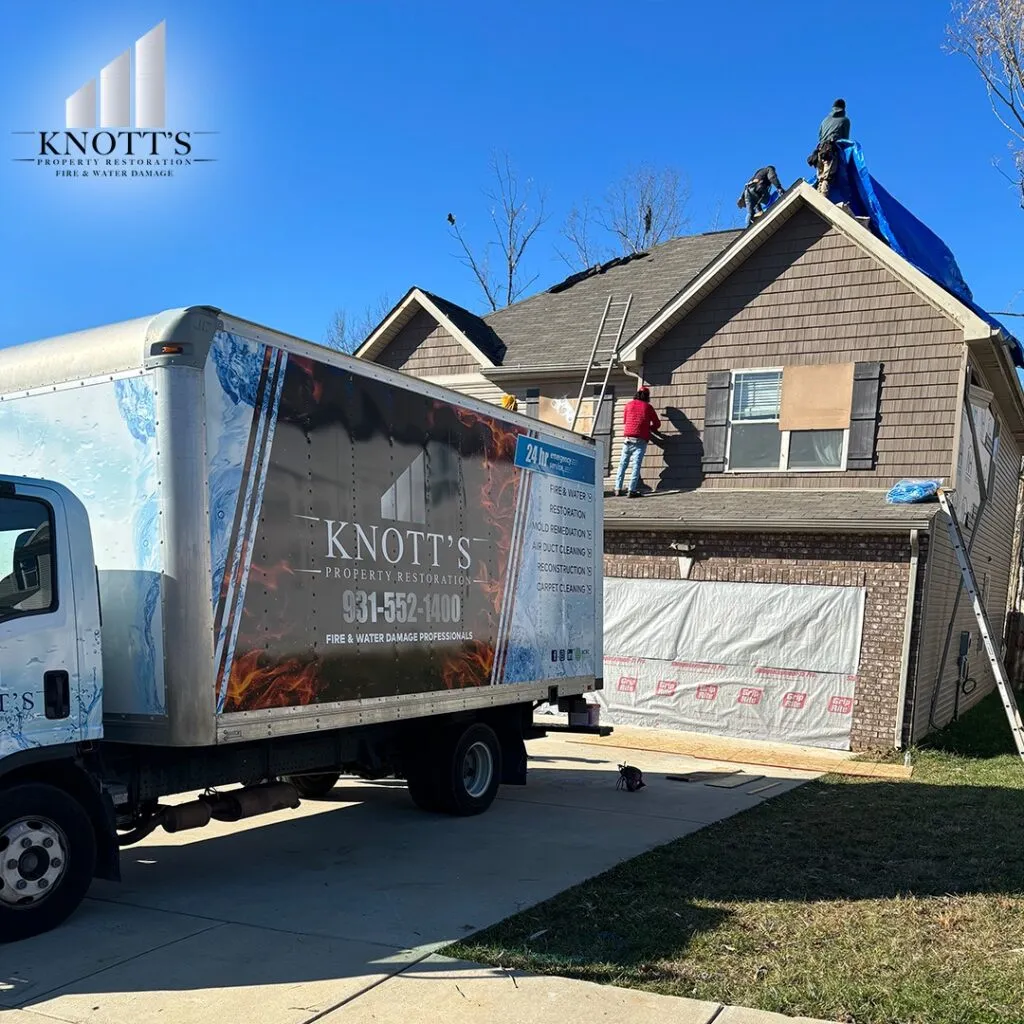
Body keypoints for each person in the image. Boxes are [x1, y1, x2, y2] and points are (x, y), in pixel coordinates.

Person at [615, 387, 661, 498]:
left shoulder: (628, 405)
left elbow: (625, 420)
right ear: (647, 396)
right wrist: (650, 428)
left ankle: (617, 488)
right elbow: (657, 423)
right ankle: (632, 490)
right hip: (640, 440)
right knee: (636, 466)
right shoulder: (648, 407)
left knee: (622, 464)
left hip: (628, 439)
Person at [807, 99, 850, 197]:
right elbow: (845, 140)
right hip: (831, 151)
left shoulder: (824, 121)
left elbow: (820, 137)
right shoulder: (845, 120)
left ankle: (818, 196)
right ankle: (823, 198)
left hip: (820, 151)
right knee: (827, 177)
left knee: (820, 177)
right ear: (843, 109)